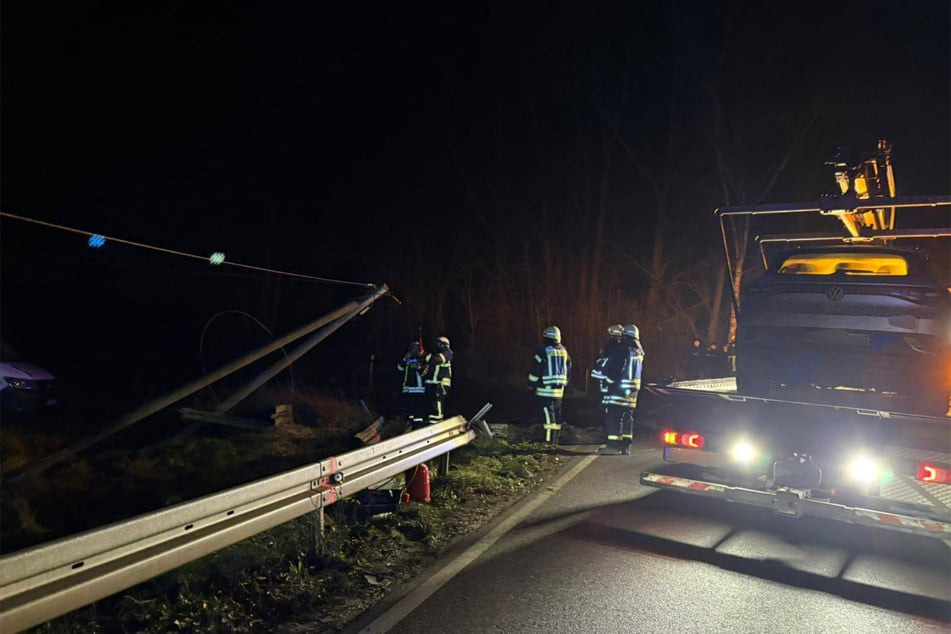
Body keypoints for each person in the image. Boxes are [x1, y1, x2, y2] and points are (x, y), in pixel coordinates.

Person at [601, 324, 644, 455]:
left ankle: (613, 446)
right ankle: (626, 446)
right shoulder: (639, 351)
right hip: (633, 390)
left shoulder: (623, 349)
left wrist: (608, 381)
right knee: (627, 417)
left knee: (614, 416)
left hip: (620, 388)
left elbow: (615, 369)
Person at [528, 325, 571, 444]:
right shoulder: (564, 352)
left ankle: (548, 443)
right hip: (559, 392)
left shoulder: (542, 351)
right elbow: (568, 371)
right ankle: (555, 441)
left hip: (544, 391)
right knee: (556, 418)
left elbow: (535, 370)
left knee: (548, 419)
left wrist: (531, 384)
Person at [591, 324, 623, 417]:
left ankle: (605, 425)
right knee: (610, 408)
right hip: (610, 382)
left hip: (604, 382)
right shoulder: (617, 347)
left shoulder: (609, 346)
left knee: (605, 406)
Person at [396, 341, 428, 429]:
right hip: (407, 389)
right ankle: (409, 426)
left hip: (419, 390)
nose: (414, 351)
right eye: (412, 349)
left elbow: (425, 372)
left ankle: (419, 428)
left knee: (418, 413)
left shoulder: (423, 360)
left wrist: (418, 367)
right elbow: (399, 368)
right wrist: (405, 358)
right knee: (409, 412)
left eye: (416, 349)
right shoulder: (407, 360)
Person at [423, 336, 453, 424]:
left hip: (441, 383)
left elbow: (436, 360)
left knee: (437, 402)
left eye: (438, 343)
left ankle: (437, 422)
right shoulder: (435, 354)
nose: (436, 345)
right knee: (431, 403)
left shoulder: (448, 353)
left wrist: (424, 354)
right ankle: (431, 422)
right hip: (432, 384)